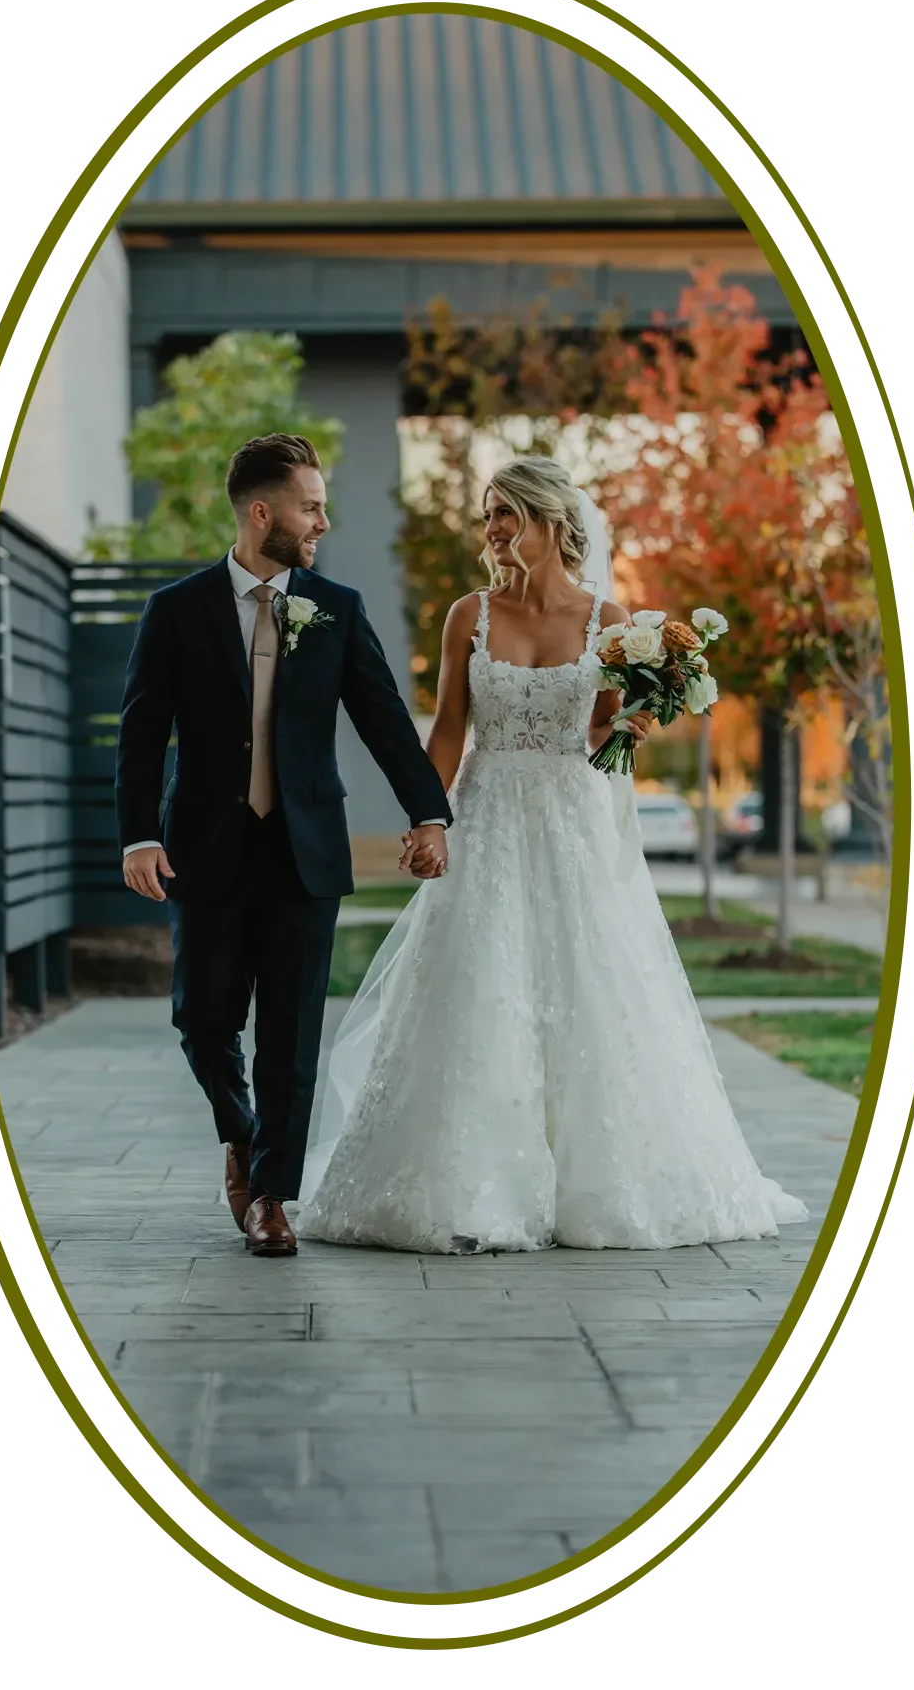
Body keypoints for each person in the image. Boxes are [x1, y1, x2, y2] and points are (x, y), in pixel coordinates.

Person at [295, 456, 808, 1254]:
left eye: (505, 513)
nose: (492, 529)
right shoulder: (470, 615)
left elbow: (602, 728)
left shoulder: (613, 620)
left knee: (587, 983)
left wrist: (633, 726)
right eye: (488, 515)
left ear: (551, 522)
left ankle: (594, 1181)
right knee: (477, 982)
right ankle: (470, 1182)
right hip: (489, 812)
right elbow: (451, 731)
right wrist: (428, 819)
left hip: (573, 821)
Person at [115, 434, 456, 1258]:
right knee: (201, 1019)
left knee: (293, 1035)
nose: (323, 521)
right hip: (202, 847)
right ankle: (242, 1134)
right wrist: (137, 835)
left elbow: (382, 716)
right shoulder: (178, 609)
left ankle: (272, 1194)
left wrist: (430, 814)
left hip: (305, 849)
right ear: (261, 512)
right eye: (311, 506)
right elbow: (139, 733)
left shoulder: (334, 608)